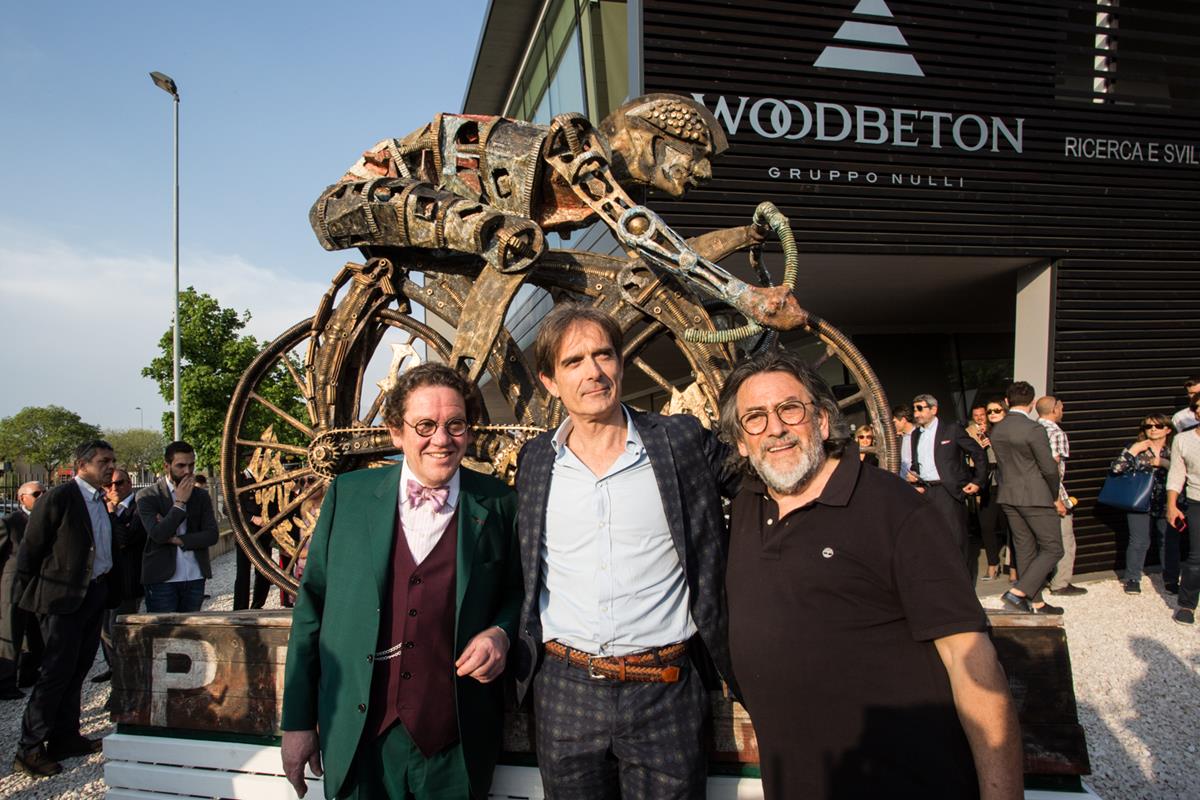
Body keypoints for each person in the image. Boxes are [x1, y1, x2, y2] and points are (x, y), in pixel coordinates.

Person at [718, 349, 1022, 800]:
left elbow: (970, 659)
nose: (776, 428)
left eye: (790, 409)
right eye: (755, 418)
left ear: (822, 420)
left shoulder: (894, 509)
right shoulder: (747, 506)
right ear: (741, 441)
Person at [512, 304, 739, 799]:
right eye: (574, 362)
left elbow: (761, 485)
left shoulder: (679, 441)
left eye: (604, 355)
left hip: (665, 689)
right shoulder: (535, 462)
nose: (593, 372)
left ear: (620, 363)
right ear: (550, 381)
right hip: (565, 692)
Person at [281, 363, 520, 799]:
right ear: (396, 432)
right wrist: (297, 722)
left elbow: (517, 592)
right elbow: (310, 609)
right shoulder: (348, 496)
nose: (442, 439)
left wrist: (501, 632)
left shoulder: (500, 503)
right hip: (358, 737)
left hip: (454, 742)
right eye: (425, 425)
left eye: (455, 425)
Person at [12, 440, 127, 778]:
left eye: (112, 460)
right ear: (82, 465)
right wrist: (29, 600)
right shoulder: (59, 498)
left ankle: (65, 737)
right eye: (104, 461)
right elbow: (31, 551)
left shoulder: (101, 500)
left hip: (94, 594)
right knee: (54, 674)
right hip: (62, 600)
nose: (110, 467)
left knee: (77, 670)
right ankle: (29, 749)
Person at [990, 382, 1066, 615]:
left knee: (1024, 549)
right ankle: (1019, 591)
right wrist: (1054, 494)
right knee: (1053, 548)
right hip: (1035, 495)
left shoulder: (998, 429)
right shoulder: (1033, 429)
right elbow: (1049, 468)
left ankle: (1036, 603)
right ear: (1032, 403)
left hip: (1008, 494)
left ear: (1006, 401)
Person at [137, 442, 219, 613]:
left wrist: (178, 539)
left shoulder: (201, 496)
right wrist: (180, 503)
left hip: (195, 576)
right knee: (164, 628)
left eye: (191, 465)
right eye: (181, 466)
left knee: (191, 628)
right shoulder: (147, 496)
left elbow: (212, 535)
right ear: (166, 466)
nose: (187, 471)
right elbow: (158, 535)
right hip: (162, 579)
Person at [910, 393, 987, 570]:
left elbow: (978, 453)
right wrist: (914, 478)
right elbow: (917, 462)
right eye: (914, 409)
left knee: (956, 539)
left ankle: (963, 581)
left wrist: (977, 481)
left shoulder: (951, 430)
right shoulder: (916, 434)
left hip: (949, 491)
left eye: (920, 408)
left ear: (933, 409)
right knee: (932, 539)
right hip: (926, 491)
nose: (916, 413)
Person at [1113, 414, 1178, 595]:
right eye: (1149, 426)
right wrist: (1133, 451)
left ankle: (1171, 579)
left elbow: (1187, 472)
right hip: (1139, 501)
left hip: (1166, 501)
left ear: (1168, 429)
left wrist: (1164, 463)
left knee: (1168, 541)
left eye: (1158, 426)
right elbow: (1116, 469)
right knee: (1139, 541)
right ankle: (1133, 579)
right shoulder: (1136, 447)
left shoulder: (1174, 448)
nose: (1153, 429)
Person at [95, 468, 146, 683]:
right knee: (104, 629)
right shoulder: (99, 508)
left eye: (119, 483)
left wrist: (111, 513)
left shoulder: (139, 508)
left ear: (129, 483)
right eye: (109, 485)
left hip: (128, 580)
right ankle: (114, 667)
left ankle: (126, 674)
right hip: (104, 579)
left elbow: (125, 539)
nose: (114, 488)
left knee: (119, 628)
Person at [1036, 396, 1087, 597]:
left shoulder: (1032, 430)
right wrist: (1057, 498)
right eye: (1061, 408)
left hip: (1032, 494)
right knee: (1065, 539)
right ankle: (1060, 583)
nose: (1062, 411)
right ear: (1054, 410)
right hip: (1052, 494)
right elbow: (1053, 469)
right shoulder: (1056, 433)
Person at [0, 481, 46, 699]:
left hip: (38, 585)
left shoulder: (47, 519)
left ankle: (29, 673)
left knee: (36, 633)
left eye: (44, 492)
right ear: (22, 498)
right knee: (11, 632)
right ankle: (5, 683)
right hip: (14, 586)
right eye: (36, 494)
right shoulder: (10, 522)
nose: (42, 496)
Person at [1166, 393, 1200, 625]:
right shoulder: (1183, 440)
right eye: (1197, 406)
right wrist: (1171, 505)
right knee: (1196, 557)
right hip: (1197, 500)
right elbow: (1177, 474)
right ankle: (1187, 605)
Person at [972, 402, 1009, 582]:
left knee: (1008, 525)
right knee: (986, 525)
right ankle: (992, 564)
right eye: (989, 411)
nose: (992, 413)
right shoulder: (981, 433)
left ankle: (1014, 567)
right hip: (989, 482)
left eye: (996, 410)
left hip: (1007, 483)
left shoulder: (1009, 431)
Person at [893, 404, 916, 478]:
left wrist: (916, 475)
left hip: (917, 480)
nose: (893, 425)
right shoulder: (900, 437)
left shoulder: (919, 435)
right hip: (903, 480)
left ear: (903, 420)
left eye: (895, 422)